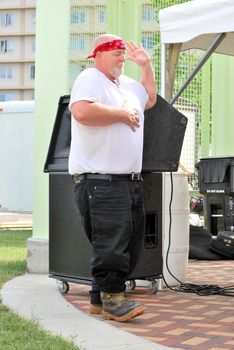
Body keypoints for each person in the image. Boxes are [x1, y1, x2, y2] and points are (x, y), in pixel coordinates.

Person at [69, 33, 157, 322]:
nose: (122, 56)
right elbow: (81, 111)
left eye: (123, 51)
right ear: (98, 55)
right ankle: (113, 301)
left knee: (126, 242)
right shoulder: (89, 78)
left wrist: (146, 67)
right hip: (101, 181)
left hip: (127, 180)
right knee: (111, 243)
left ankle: (98, 298)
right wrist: (120, 114)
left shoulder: (128, 85)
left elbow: (150, 100)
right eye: (115, 51)